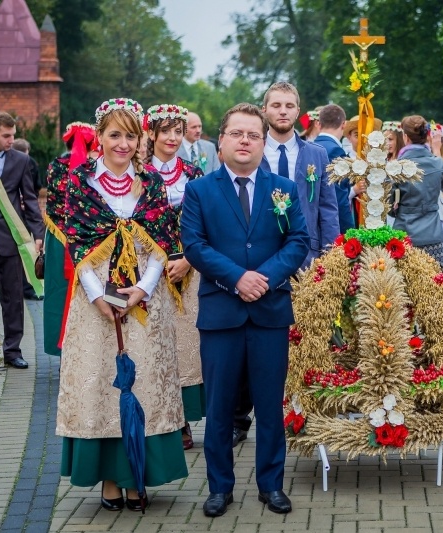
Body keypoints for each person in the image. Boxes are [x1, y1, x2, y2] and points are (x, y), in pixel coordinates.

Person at [56, 98, 188, 512]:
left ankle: (140, 478)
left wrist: (143, 289)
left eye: (131, 135)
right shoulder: (79, 182)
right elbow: (79, 243)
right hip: (95, 301)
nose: (123, 143)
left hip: (145, 301)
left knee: (146, 383)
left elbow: (162, 242)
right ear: (99, 137)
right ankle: (111, 478)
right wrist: (98, 296)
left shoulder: (151, 182)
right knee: (103, 384)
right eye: (115, 134)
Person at [181, 103, 308, 517]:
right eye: (237, 133)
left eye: (254, 135)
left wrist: (265, 278)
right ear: (221, 141)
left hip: (269, 312)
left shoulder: (284, 189)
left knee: (270, 405)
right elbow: (195, 246)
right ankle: (220, 487)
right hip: (221, 313)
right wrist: (237, 278)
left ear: (263, 142)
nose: (245, 141)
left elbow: (298, 242)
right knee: (218, 407)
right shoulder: (200, 190)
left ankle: (271, 485)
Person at [144, 104, 206, 451]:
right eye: (165, 131)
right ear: (151, 133)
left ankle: (183, 419)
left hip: (188, 270)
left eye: (178, 132)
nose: (172, 138)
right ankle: (162, 419)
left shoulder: (194, 173)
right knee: (156, 343)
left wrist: (188, 259)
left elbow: (203, 224)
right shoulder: (138, 173)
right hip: (149, 271)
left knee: (185, 345)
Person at [0, 111, 44, 372]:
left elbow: (30, 201)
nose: (11, 140)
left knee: (13, 298)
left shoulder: (21, 161)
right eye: (6, 136)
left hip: (11, 239)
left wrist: (38, 235)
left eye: (13, 135)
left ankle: (12, 351)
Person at [260, 81, 340, 268]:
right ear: (264, 110)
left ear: (298, 111)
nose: (283, 111)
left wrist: (330, 256)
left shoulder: (317, 154)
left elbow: (328, 208)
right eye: (276, 105)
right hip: (262, 256)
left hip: (307, 256)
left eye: (289, 106)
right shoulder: (254, 151)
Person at [43, 122, 100, 356]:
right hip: (88, 238)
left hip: (58, 239)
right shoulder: (93, 168)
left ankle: (60, 350)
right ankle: (85, 349)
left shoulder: (56, 166)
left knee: (58, 291)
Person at [391, 115, 443, 268]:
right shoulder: (437, 163)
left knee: (402, 287)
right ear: (428, 136)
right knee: (434, 285)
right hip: (433, 234)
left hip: (404, 234)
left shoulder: (396, 167)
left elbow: (389, 208)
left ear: (405, 137)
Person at [313, 104, 355, 233]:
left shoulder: (310, 146)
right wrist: (349, 231)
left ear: (319, 124)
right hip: (328, 225)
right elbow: (338, 196)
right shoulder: (336, 151)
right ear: (343, 125)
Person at [12, 138, 45, 301]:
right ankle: (27, 286)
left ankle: (25, 285)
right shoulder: (29, 162)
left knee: (23, 250)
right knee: (27, 249)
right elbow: (36, 186)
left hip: (16, 211)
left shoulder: (15, 161)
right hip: (23, 211)